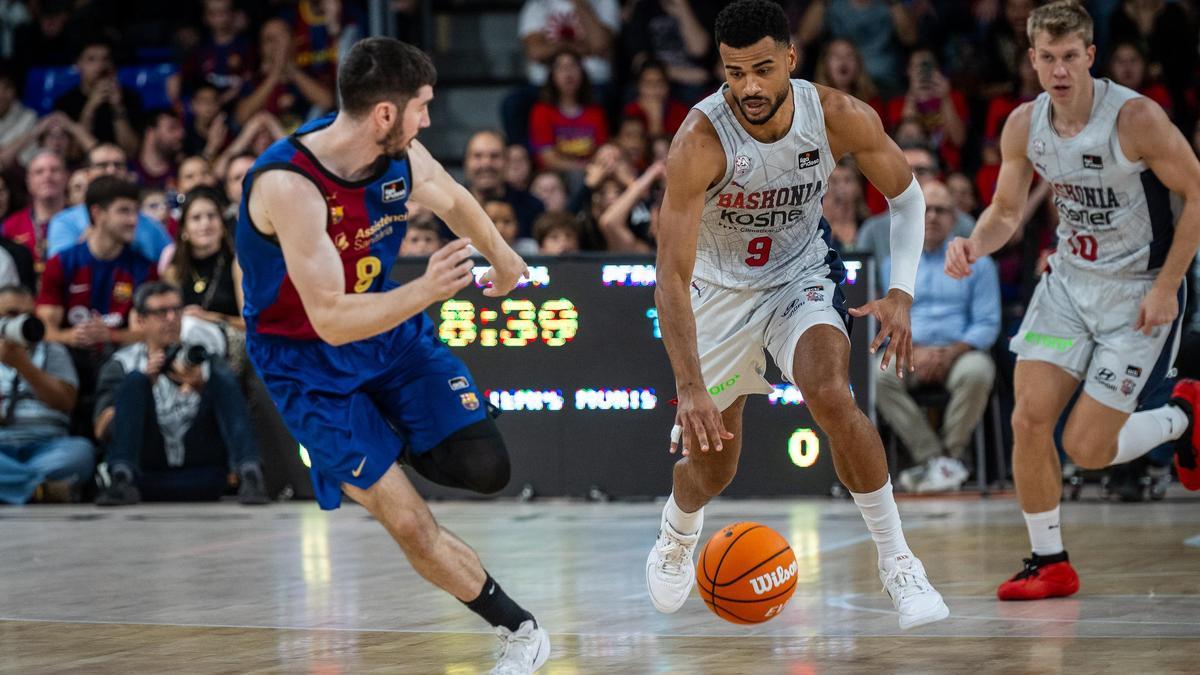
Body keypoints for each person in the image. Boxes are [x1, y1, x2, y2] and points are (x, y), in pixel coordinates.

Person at [236, 38, 549, 672]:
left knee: (487, 467)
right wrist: (427, 289)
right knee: (409, 523)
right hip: (306, 362)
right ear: (385, 113)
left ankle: (390, 436)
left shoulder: (401, 154)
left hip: (387, 331)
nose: (428, 121)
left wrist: (504, 257)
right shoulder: (287, 185)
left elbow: (454, 198)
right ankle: (521, 631)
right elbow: (328, 318)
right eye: (422, 107)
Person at [647, 0, 948, 629]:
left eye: (761, 69)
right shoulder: (698, 143)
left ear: (791, 57)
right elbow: (669, 279)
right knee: (715, 467)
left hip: (799, 275)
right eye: (734, 73)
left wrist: (901, 291)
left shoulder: (837, 116)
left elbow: (908, 197)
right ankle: (678, 530)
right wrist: (689, 386)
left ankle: (898, 562)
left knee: (830, 393)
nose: (749, 87)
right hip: (717, 290)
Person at [944, 1, 1200, 602]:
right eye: (1047, 58)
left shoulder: (1134, 119)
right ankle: (1048, 560)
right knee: (1029, 419)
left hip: (1139, 289)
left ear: (1090, 56)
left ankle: (1184, 413)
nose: (1059, 71)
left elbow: (1195, 192)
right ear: (1032, 59)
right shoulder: (1022, 124)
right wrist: (973, 246)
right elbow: (1006, 211)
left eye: (1070, 57)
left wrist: (1167, 287)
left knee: (1087, 447)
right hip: (1067, 286)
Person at [93, 281, 267, 506]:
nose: (171, 318)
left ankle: (250, 473)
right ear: (141, 319)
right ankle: (121, 477)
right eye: (161, 312)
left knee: (220, 374)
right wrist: (147, 384)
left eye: (176, 310)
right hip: (146, 471)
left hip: (203, 470)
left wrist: (201, 387)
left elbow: (229, 401)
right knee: (134, 380)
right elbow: (100, 429)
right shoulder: (122, 363)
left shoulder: (200, 357)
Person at [877, 181, 1000, 493]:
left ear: (954, 218)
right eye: (926, 210)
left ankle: (951, 457)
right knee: (877, 378)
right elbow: (884, 322)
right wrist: (913, 350)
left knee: (978, 372)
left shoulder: (979, 262)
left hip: (959, 352)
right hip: (910, 351)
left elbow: (987, 323)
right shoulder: (893, 263)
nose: (932, 217)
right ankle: (935, 459)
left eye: (941, 210)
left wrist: (949, 354)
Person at [0, 285, 94, 504]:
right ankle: (40, 488)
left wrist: (23, 365)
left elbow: (65, 401)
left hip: (48, 444)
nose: (21, 321)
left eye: (28, 315)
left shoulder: (53, 351)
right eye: (13, 314)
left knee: (81, 452)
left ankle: (12, 484)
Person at [46, 144, 172, 262]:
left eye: (118, 165)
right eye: (102, 165)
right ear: (87, 174)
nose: (111, 171)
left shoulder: (148, 223)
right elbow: (61, 267)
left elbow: (171, 262)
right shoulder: (64, 222)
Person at [53, 39, 143, 155]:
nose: (100, 66)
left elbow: (132, 151)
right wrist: (90, 108)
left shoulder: (130, 97)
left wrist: (117, 108)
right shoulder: (65, 102)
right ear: (77, 64)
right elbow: (74, 154)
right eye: (91, 59)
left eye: (106, 59)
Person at [2, 150, 66, 266]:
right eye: (39, 172)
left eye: (54, 170)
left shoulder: (83, 220)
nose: (47, 176)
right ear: (28, 182)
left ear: (66, 177)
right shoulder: (10, 226)